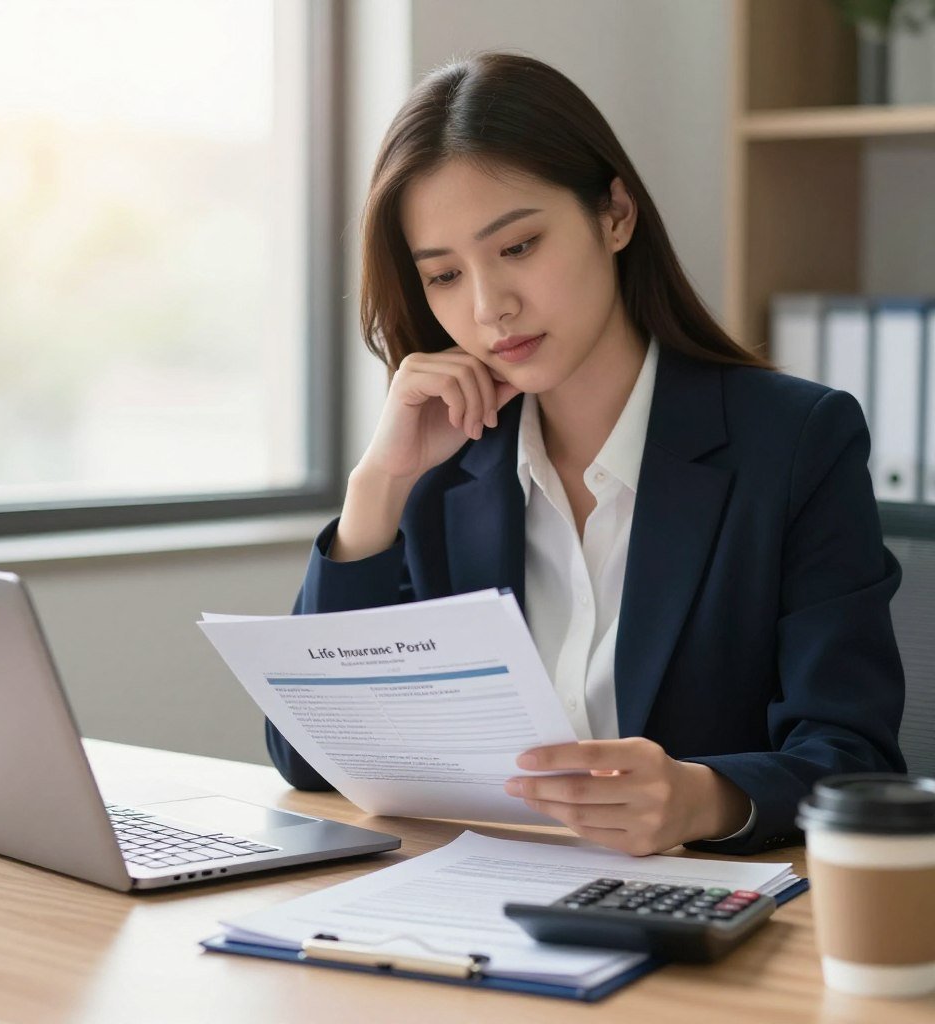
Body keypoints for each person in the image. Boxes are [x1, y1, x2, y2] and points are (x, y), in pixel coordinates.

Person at [266, 52, 906, 856]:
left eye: (520, 247)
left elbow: (856, 761)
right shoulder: (440, 467)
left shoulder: (796, 442)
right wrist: (377, 489)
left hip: (702, 922)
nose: (489, 306)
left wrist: (703, 798)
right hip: (485, 914)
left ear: (615, 215)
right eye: (443, 275)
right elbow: (309, 760)